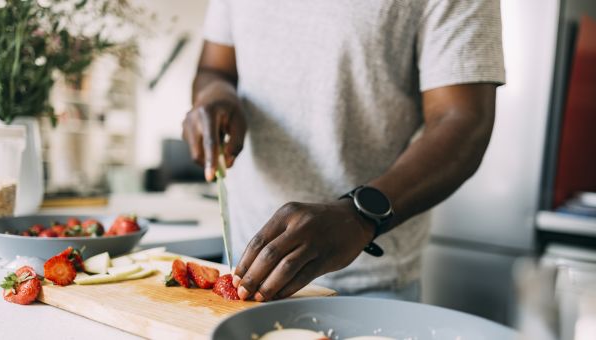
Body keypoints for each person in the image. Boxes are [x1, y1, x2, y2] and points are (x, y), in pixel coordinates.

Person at [182, 0, 505, 302]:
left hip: (369, 287)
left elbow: (462, 120)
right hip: (243, 266)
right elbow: (216, 69)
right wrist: (214, 97)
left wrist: (360, 215)